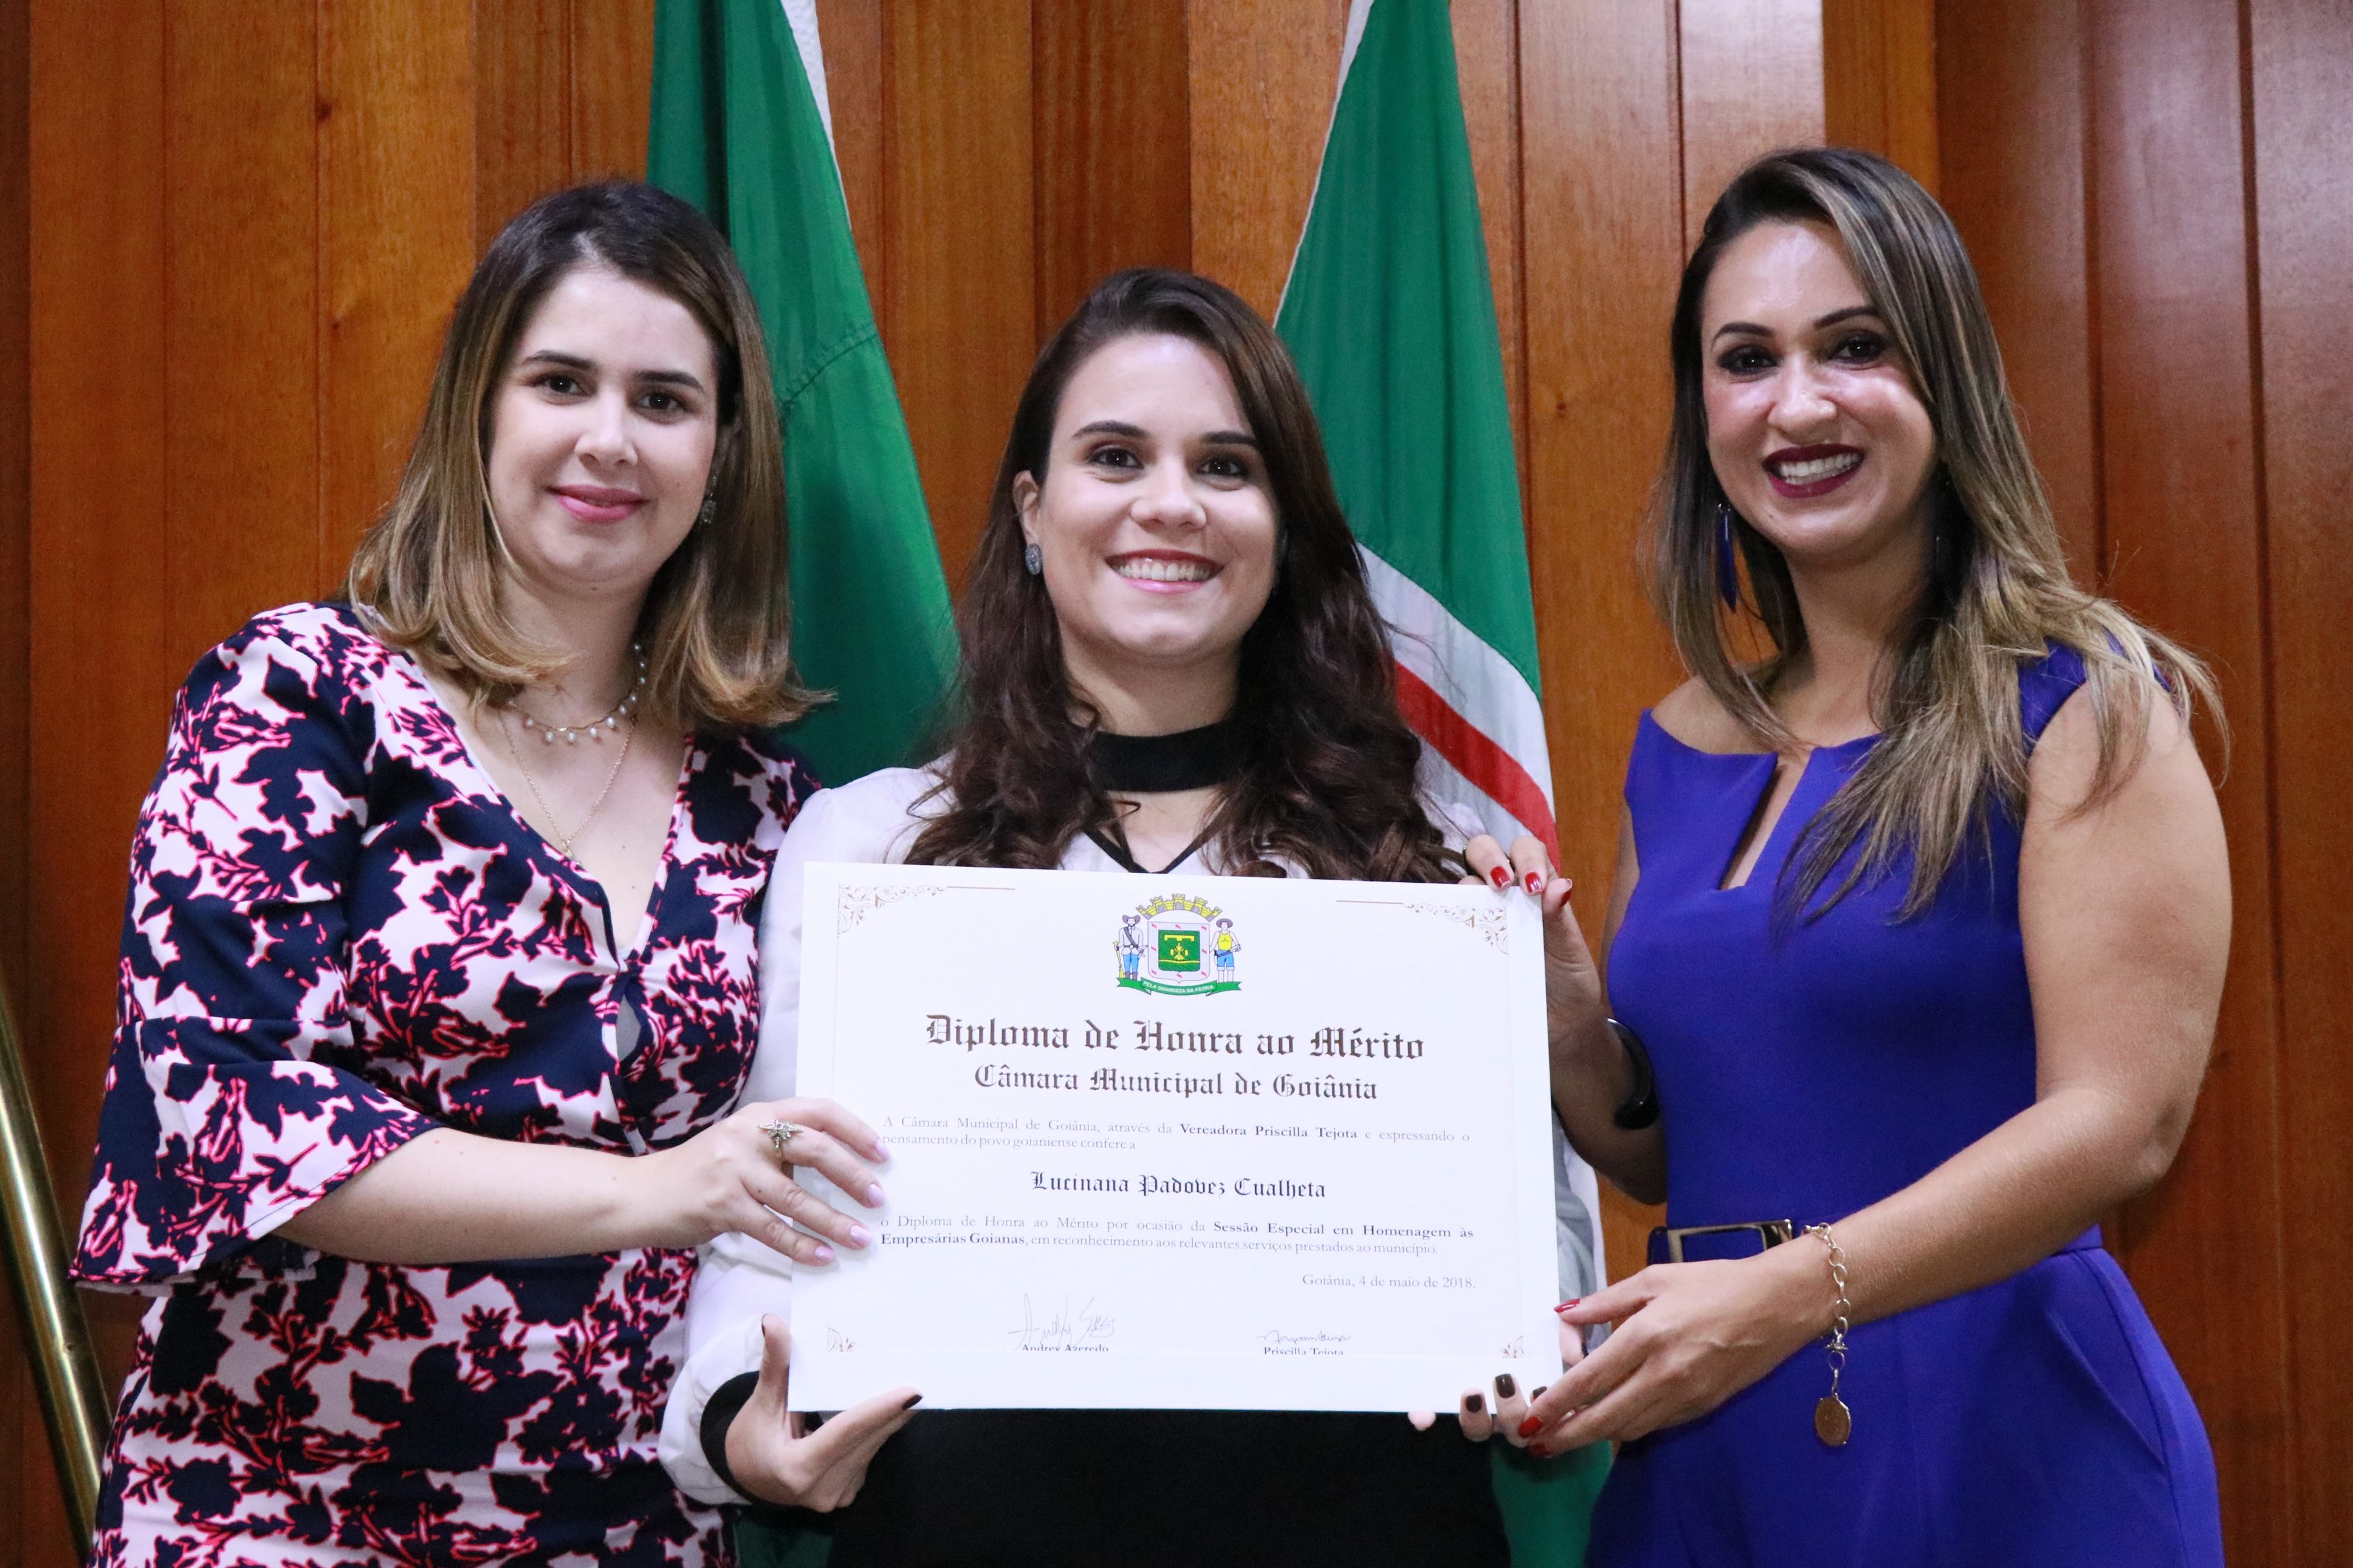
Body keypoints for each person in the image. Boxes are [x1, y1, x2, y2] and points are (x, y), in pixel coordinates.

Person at [658, 269, 1606, 1566]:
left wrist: (1520, 1336)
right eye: (1115, 457)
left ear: (1283, 525)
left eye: (1226, 465)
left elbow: (1534, 1229)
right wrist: (740, 1425)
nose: (1171, 503)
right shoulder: (872, 846)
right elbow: (768, 1216)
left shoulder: (1423, 865)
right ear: (1033, 511)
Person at [72, 182, 894, 1566]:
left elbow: (804, 1184)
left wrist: (763, 1420)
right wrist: (662, 1191)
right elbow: (233, 1116)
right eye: (560, 382)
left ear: (721, 455)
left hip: (635, 1528)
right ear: (479, 413)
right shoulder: (300, 700)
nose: (608, 439)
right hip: (282, 1512)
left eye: (664, 400)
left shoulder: (770, 806)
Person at [1497, 148, 2228, 1564]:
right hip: (1710, 1450)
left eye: (1854, 346)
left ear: (1945, 378)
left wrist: (1785, 1295)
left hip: (2000, 1439)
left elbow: (2121, 1122)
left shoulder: (2082, 701)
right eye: (1745, 359)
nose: (1797, 404)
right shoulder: (1681, 740)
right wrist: (1569, 1016)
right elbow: (1661, 1153)